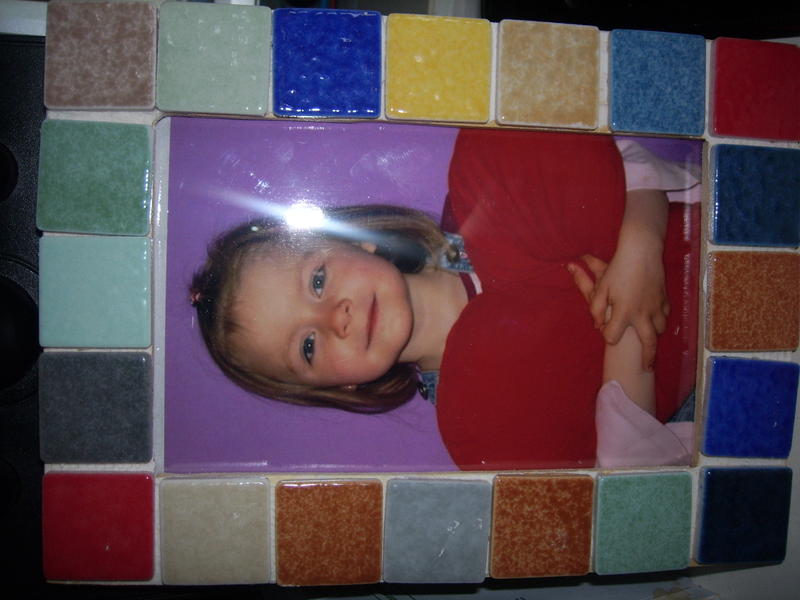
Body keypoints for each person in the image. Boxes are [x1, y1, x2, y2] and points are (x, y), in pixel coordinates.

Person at [190, 129, 699, 470]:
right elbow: (631, 482)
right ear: (339, 385)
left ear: (356, 243)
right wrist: (626, 330)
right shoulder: (481, 424)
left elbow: (623, 162)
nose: (334, 318)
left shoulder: (485, 196)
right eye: (307, 346)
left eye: (318, 281)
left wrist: (640, 244)